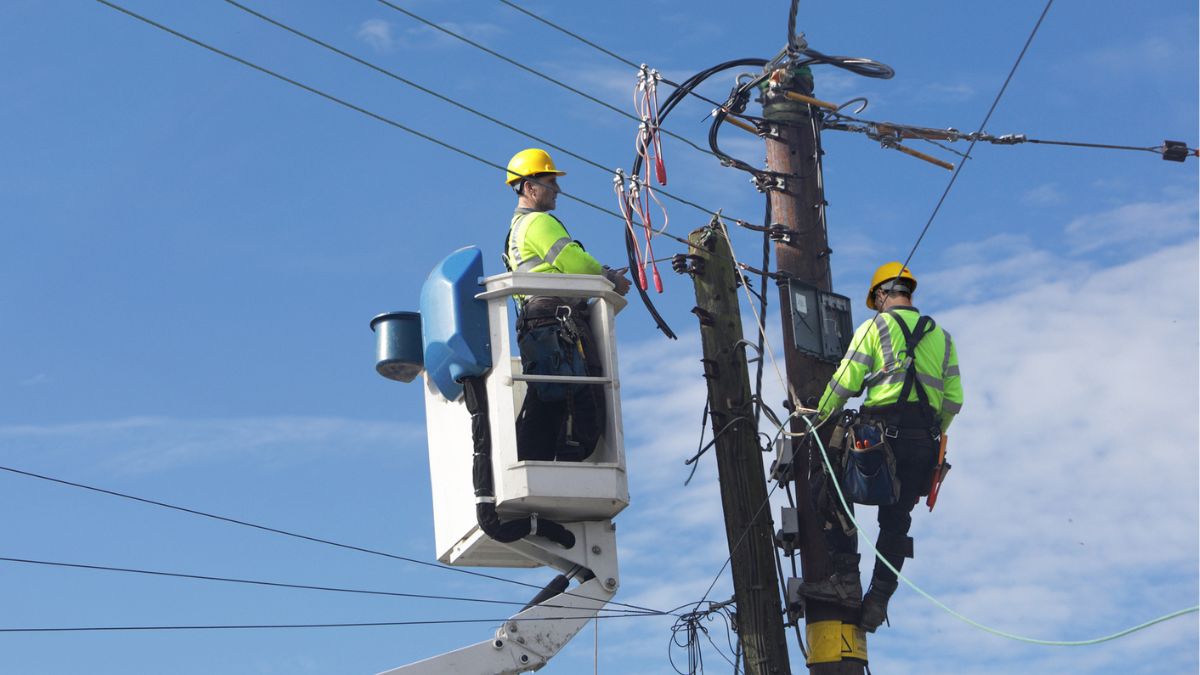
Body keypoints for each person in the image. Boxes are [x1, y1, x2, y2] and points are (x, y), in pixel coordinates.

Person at [815, 261, 963, 632]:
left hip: (879, 441)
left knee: (828, 483)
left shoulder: (875, 327)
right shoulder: (942, 337)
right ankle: (877, 601)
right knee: (896, 522)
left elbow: (845, 381)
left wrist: (817, 418)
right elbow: (954, 399)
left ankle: (846, 578)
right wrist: (931, 431)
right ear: (908, 293)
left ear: (881, 295)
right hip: (924, 446)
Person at [502, 148, 631, 462]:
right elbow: (575, 263)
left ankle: (537, 463)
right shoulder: (538, 223)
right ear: (529, 187)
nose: (557, 190)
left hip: (539, 324)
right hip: (554, 321)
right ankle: (553, 462)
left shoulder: (516, 229)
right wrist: (610, 278)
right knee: (576, 399)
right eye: (550, 182)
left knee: (550, 398)